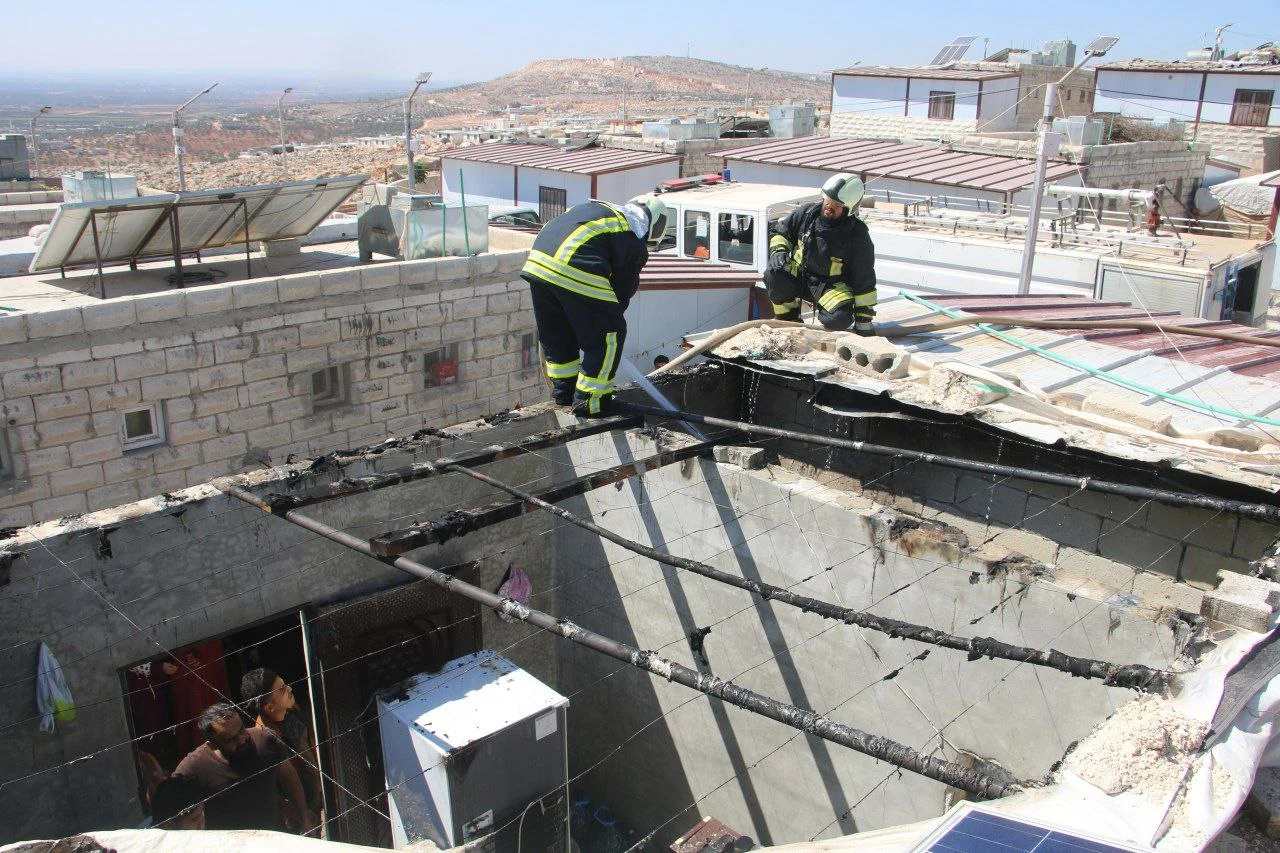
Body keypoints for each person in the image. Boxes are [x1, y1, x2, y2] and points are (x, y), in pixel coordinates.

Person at [521, 194, 668, 416]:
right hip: (573, 264)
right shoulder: (633, 235)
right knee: (611, 335)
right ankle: (591, 402)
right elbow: (621, 293)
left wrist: (583, 321)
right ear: (655, 224)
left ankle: (564, 395)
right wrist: (597, 327)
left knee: (559, 334)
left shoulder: (605, 212)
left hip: (538, 262)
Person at [174, 702, 317, 835]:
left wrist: (303, 816)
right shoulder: (196, 766)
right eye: (231, 739)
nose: (242, 739)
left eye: (241, 729)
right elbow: (170, 798)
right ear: (213, 744)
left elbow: (288, 775)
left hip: (272, 839)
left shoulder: (266, 741)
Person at [766, 173, 877, 335]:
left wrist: (864, 322)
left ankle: (828, 320)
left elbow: (864, 278)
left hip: (830, 287)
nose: (829, 206)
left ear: (849, 209)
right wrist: (778, 251)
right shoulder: (807, 214)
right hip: (801, 276)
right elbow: (781, 232)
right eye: (827, 199)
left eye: (837, 204)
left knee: (839, 320)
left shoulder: (857, 235)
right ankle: (789, 319)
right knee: (774, 273)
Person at [240, 667, 323, 825]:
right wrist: (300, 813)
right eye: (283, 689)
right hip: (298, 817)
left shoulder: (291, 711)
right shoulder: (265, 740)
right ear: (270, 707)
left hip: (315, 797)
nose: (290, 688)